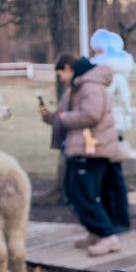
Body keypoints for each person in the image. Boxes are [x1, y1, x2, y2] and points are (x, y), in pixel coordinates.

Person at [39, 53, 123, 256]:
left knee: (83, 195)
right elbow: (67, 115)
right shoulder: (79, 86)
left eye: (61, 73)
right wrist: (50, 117)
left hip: (93, 149)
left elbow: (91, 114)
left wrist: (63, 117)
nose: (61, 78)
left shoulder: (90, 85)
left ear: (68, 68)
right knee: (75, 193)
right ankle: (96, 232)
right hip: (83, 149)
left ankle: (108, 237)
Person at [90, 29, 133, 234]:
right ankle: (112, 218)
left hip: (111, 129)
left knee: (113, 176)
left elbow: (120, 104)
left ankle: (121, 220)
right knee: (107, 176)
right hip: (107, 128)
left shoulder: (112, 76)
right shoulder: (107, 74)